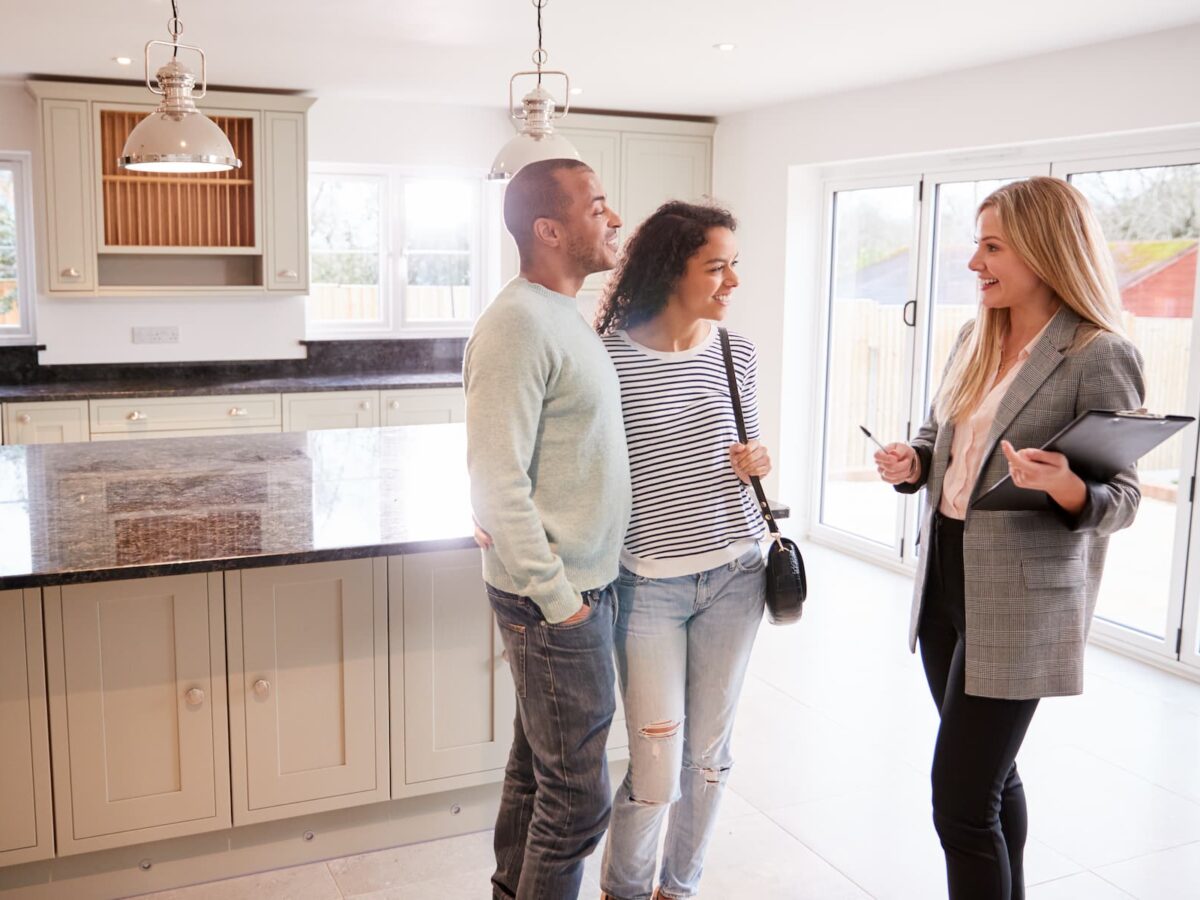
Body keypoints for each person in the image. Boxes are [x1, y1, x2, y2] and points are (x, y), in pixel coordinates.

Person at [874, 176, 1145, 900]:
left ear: (1043, 250)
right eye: (977, 244)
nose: (975, 263)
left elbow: (1122, 500)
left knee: (960, 803)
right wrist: (914, 464)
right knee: (992, 778)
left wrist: (1064, 486)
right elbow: (937, 438)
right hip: (947, 576)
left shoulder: (1097, 354)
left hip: (1023, 602)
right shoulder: (976, 337)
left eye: (992, 247)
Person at [463, 157, 631, 900]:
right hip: (555, 599)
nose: (614, 218)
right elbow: (496, 479)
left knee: (537, 778)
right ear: (550, 230)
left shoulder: (562, 313)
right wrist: (559, 600)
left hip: (575, 586)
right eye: (597, 206)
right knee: (577, 804)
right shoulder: (517, 325)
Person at [594, 201, 772, 900]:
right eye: (717, 266)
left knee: (708, 759)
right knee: (657, 766)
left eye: (734, 265)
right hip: (647, 587)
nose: (733, 282)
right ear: (673, 269)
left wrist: (757, 461)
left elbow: (745, 451)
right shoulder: (608, 358)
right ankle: (625, 891)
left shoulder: (736, 352)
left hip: (736, 574)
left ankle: (679, 888)